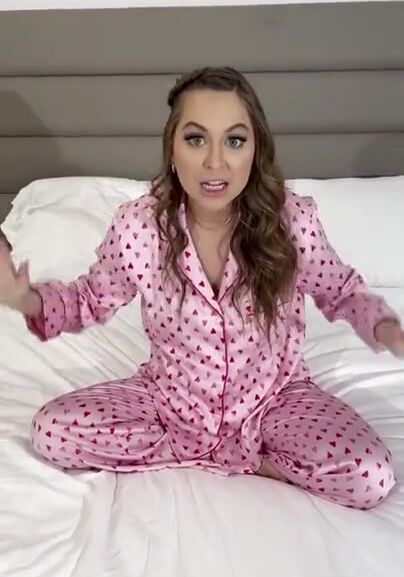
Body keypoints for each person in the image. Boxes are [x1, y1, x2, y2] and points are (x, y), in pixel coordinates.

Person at [0, 67, 403, 510]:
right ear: (172, 149)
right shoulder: (140, 227)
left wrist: (385, 328)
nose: (215, 162)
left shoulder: (292, 223)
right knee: (52, 431)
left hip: (274, 401)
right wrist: (25, 299)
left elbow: (339, 290)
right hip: (170, 404)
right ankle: (206, 450)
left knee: (370, 475)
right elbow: (89, 299)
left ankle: (254, 463)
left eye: (234, 141)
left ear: (256, 149)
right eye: (196, 139)